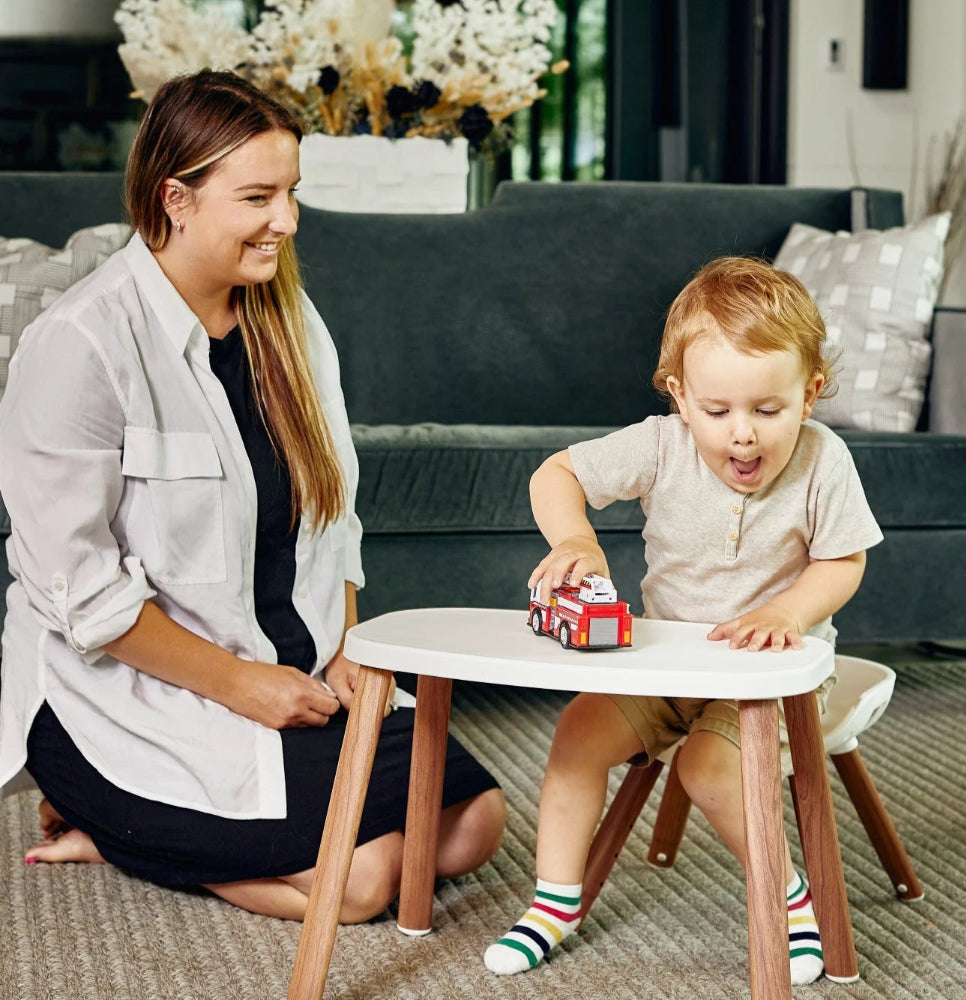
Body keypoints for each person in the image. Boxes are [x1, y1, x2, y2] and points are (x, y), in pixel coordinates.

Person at [0, 69, 505, 923]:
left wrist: (348, 646)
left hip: (292, 679)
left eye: (292, 193)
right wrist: (244, 687)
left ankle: (147, 835)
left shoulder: (289, 320)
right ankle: (113, 829)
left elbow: (334, 514)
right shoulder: (80, 345)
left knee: (472, 826)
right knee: (366, 882)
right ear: (177, 198)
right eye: (259, 197)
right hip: (127, 697)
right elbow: (80, 596)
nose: (288, 221)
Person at [483, 256, 883, 984]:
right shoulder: (661, 444)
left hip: (764, 680)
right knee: (576, 736)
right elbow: (556, 474)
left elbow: (844, 563)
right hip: (666, 664)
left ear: (810, 395)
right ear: (679, 396)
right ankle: (554, 902)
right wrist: (577, 540)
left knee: (707, 764)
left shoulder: (826, 460)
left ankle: (788, 898)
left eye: (769, 410)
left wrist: (786, 611)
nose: (742, 436)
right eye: (717, 410)